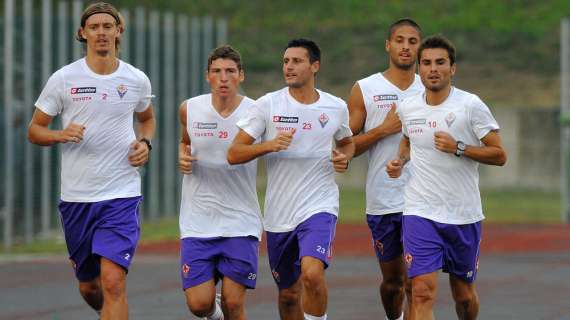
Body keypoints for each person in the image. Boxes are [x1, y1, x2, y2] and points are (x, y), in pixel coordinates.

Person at [27, 2, 155, 319]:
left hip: (121, 194)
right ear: (83, 33)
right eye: (94, 27)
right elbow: (34, 130)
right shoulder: (64, 79)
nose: (101, 33)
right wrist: (61, 134)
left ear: (118, 31)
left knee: (113, 282)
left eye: (107, 26)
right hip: (77, 199)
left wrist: (145, 143)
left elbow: (147, 118)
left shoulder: (136, 79)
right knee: (90, 287)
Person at [227, 38, 355, 320]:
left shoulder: (335, 107)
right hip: (279, 214)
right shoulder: (267, 105)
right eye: (286, 61)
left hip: (319, 205)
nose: (289, 66)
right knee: (287, 295)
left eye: (297, 61)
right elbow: (234, 153)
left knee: (311, 273)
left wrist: (343, 156)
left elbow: (347, 142)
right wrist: (268, 145)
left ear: (315, 66)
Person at [386, 35, 507, 320]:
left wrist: (459, 148)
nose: (433, 68)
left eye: (440, 62)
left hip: (463, 215)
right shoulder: (408, 106)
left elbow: (500, 154)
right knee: (422, 291)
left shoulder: (471, 105)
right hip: (420, 211)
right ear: (419, 69)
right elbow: (407, 140)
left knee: (463, 297)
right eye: (426, 63)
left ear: (452, 68)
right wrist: (400, 161)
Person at [178, 45, 262, 320]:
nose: (223, 77)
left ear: (241, 76)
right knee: (199, 305)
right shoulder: (190, 109)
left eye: (230, 71)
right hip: (198, 219)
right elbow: (185, 142)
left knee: (233, 302)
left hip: (240, 220)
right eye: (217, 71)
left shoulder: (257, 112)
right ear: (207, 76)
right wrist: (183, 156)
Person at [347, 18, 423, 320]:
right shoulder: (365, 88)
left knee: (417, 283)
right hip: (383, 200)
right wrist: (383, 129)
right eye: (400, 40)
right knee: (393, 284)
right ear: (388, 45)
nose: (405, 47)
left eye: (412, 41)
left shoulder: (431, 87)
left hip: (423, 200)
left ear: (419, 47)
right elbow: (347, 147)